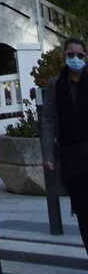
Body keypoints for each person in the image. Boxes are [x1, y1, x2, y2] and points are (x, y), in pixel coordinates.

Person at [41, 35, 88, 254]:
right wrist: (48, 155)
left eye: (80, 55)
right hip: (71, 158)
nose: (75, 59)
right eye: (71, 54)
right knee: (83, 212)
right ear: (65, 56)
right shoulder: (55, 85)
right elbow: (48, 121)